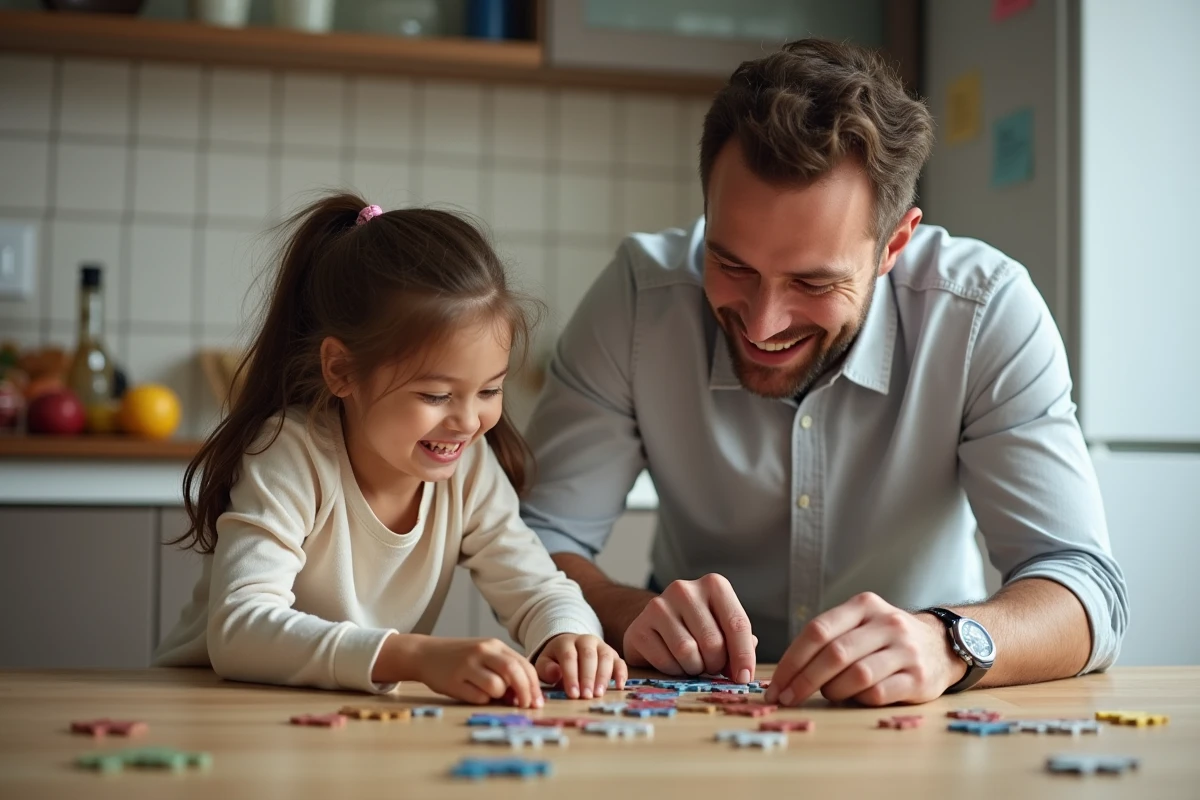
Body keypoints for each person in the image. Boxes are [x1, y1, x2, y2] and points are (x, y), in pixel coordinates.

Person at [519, 39, 1127, 707]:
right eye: (732, 267)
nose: (761, 323)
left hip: (918, 716)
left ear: (896, 243)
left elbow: (1085, 589)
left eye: (812, 281)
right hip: (683, 711)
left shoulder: (985, 313)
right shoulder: (637, 299)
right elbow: (533, 544)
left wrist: (948, 642)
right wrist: (625, 610)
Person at [156, 193, 626, 705]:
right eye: (435, 395)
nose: (468, 422)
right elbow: (240, 631)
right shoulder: (289, 454)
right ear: (341, 370)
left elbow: (537, 586)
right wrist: (417, 657)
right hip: (217, 710)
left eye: (489, 390)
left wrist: (569, 635)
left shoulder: (468, 467)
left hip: (342, 719)